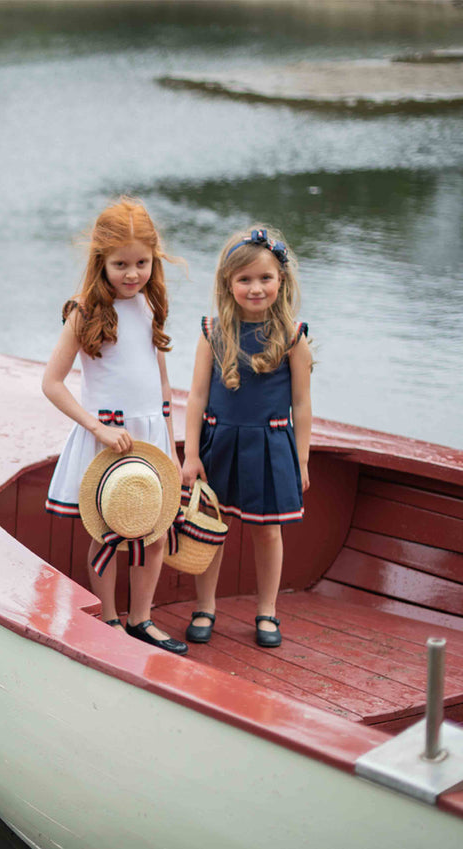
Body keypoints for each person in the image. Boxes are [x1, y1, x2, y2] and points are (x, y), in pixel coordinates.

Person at [42, 197, 187, 655]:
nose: (132, 274)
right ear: (100, 261)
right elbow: (52, 384)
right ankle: (108, 619)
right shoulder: (84, 311)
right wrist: (96, 428)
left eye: (142, 262)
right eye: (120, 264)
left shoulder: (151, 304)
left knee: (155, 532)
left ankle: (142, 618)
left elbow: (162, 383)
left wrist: (172, 445)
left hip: (151, 438)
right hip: (108, 438)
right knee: (107, 530)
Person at [182, 227, 312, 648]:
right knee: (210, 528)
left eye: (265, 278)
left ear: (281, 281)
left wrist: (302, 461)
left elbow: (302, 405)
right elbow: (197, 396)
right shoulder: (212, 331)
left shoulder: (293, 337)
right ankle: (205, 606)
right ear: (228, 283)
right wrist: (189, 455)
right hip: (218, 444)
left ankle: (267, 612)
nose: (256, 288)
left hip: (271, 447)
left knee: (267, 532)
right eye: (245, 280)